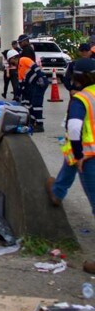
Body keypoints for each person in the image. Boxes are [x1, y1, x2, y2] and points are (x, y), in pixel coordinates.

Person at [45, 58, 95, 273]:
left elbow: (75, 128)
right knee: (70, 161)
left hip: (89, 155)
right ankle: (57, 192)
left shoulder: (82, 98)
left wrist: (79, 154)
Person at [15, 48, 48, 132]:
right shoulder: (19, 70)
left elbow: (35, 67)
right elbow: (22, 84)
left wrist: (40, 77)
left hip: (39, 83)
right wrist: (19, 95)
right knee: (32, 104)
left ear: (14, 58)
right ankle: (33, 122)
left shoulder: (24, 59)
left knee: (36, 104)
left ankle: (40, 125)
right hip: (34, 85)